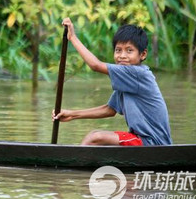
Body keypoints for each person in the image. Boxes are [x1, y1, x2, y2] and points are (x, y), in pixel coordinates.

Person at [52, 18, 172, 146]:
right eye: (118, 50)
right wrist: (72, 114)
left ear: (142, 55)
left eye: (129, 50)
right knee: (94, 134)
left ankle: (75, 164)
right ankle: (82, 162)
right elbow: (110, 109)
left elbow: (95, 65)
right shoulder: (126, 81)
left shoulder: (138, 73)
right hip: (142, 140)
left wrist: (73, 38)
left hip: (152, 143)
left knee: (96, 137)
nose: (122, 56)